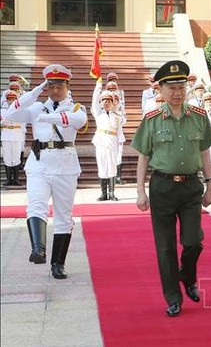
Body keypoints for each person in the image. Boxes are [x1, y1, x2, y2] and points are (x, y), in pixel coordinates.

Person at [131, 60, 211, 318]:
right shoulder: (152, 119)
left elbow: (205, 151)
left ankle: (187, 275)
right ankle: (173, 297)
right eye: (171, 88)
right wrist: (140, 191)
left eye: (181, 86)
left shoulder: (200, 118)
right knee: (165, 246)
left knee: (194, 241)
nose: (177, 92)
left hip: (191, 186)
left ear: (187, 89)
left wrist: (210, 185)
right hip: (162, 187)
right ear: (161, 91)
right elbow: (143, 156)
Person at [3, 64, 88, 279]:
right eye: (50, 85)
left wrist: (51, 118)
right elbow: (11, 113)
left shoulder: (76, 107)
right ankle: (38, 249)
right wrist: (34, 92)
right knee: (36, 205)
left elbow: (80, 121)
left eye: (59, 85)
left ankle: (58, 264)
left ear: (68, 86)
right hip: (39, 164)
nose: (55, 90)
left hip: (64, 166)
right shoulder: (36, 107)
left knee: (63, 216)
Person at [91, 79, 125, 201]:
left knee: (112, 166)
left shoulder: (117, 116)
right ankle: (103, 193)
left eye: (109, 101)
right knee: (102, 165)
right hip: (101, 141)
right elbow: (95, 100)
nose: (106, 103)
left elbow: (119, 133)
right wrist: (98, 86)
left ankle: (112, 193)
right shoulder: (98, 114)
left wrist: (120, 145)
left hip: (112, 142)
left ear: (113, 103)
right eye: (104, 100)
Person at [1, 90, 27, 186]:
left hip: (17, 135)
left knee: (16, 157)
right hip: (6, 135)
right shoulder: (2, 111)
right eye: (9, 99)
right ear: (6, 100)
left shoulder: (20, 111)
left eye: (13, 99)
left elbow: (23, 122)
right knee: (7, 157)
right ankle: (8, 180)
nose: (11, 101)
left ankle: (16, 179)